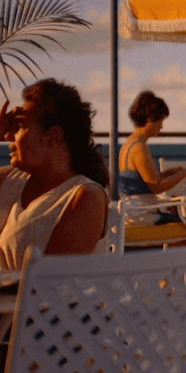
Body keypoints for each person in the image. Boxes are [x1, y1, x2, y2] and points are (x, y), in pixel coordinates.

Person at [0, 79, 108, 269]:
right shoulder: (10, 180)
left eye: (20, 127)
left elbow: (49, 281)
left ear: (53, 137)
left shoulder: (84, 197)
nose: (8, 136)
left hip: (33, 289)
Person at [118, 90, 186, 239]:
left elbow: (144, 181)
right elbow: (157, 186)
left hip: (132, 212)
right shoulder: (139, 148)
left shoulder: (128, 144)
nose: (161, 126)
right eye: (161, 120)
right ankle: (171, 254)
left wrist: (169, 173)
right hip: (143, 216)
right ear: (150, 119)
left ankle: (172, 253)